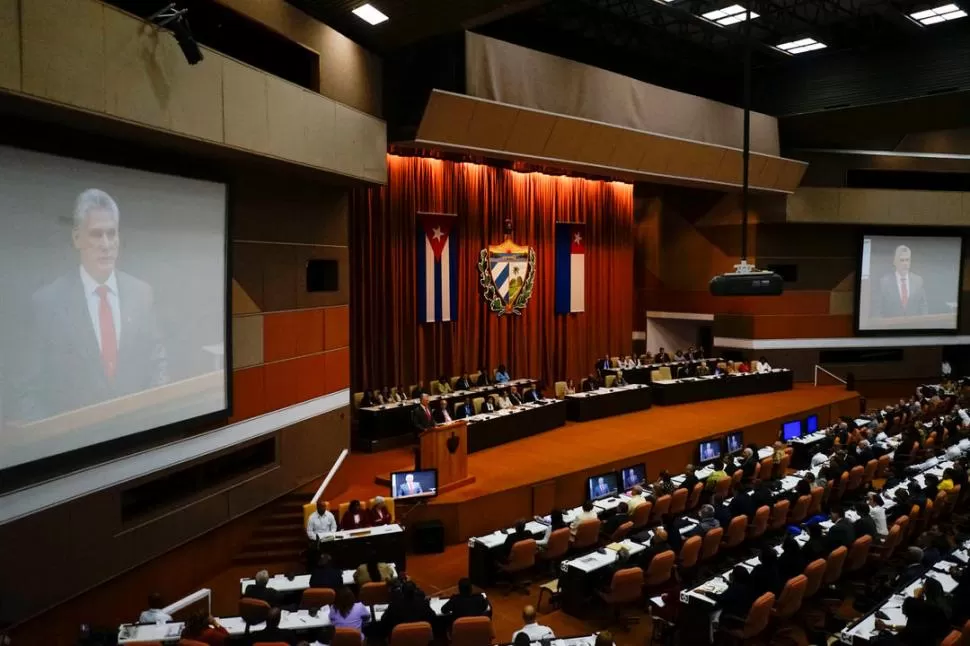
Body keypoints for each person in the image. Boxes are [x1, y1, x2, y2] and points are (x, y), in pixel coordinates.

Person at [20, 189, 168, 421]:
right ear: (77, 238)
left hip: (140, 439)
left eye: (112, 233)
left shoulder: (141, 294)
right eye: (96, 235)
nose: (106, 244)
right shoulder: (47, 303)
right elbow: (28, 392)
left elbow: (158, 365)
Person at [874, 244, 928, 319]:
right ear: (895, 262)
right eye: (902, 260)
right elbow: (877, 310)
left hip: (914, 327)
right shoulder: (884, 282)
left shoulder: (918, 281)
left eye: (907, 260)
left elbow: (923, 308)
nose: (905, 263)